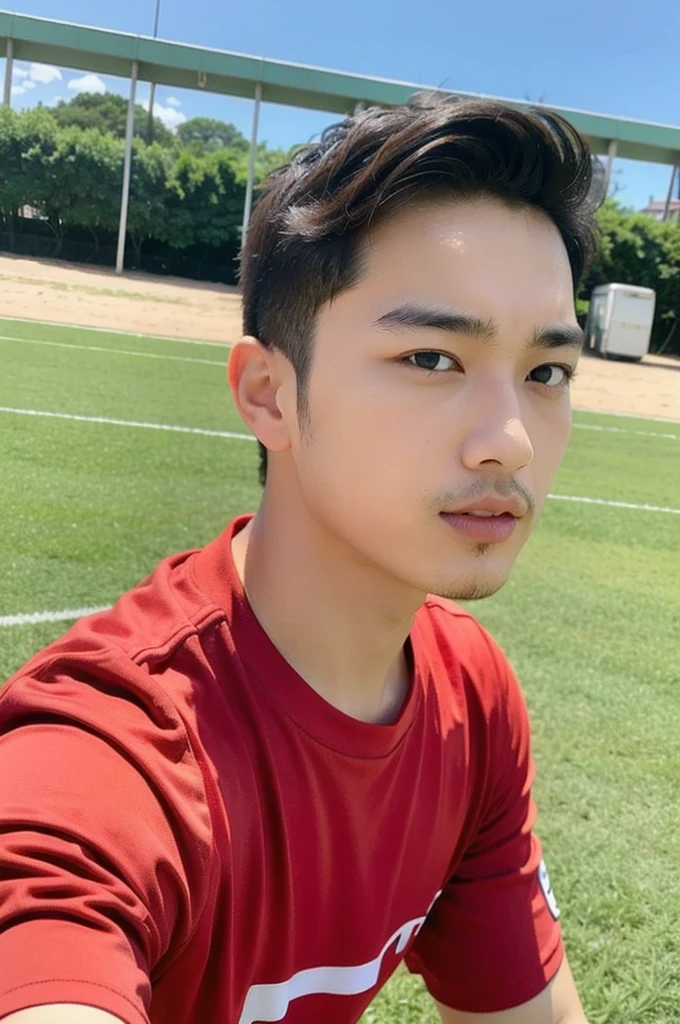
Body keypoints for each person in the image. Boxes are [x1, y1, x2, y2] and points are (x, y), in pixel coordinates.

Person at [0, 94, 596, 1024]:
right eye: (433, 358)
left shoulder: (468, 702)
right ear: (269, 394)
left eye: (545, 373)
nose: (511, 440)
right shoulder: (111, 760)